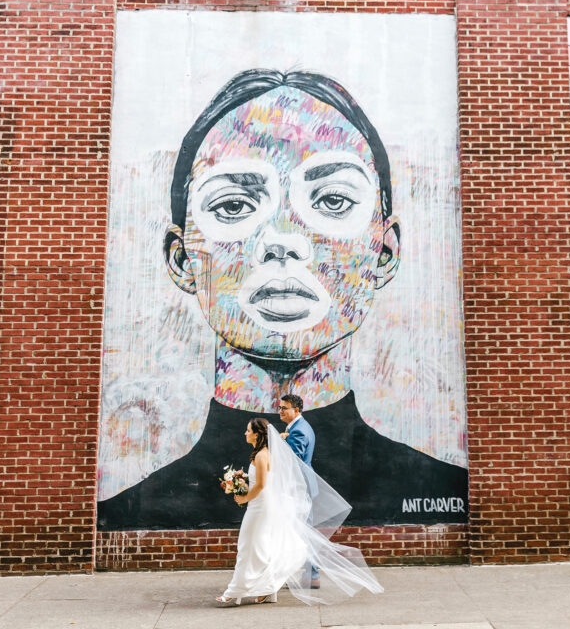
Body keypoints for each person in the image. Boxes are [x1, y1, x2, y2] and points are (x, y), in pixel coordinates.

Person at [98, 69, 467, 530]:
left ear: (384, 252)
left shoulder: (441, 486)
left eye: (332, 200)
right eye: (233, 205)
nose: (282, 241)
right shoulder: (125, 512)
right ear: (182, 259)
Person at [215, 417, 383, 606]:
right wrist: (242, 485)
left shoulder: (262, 455)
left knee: (249, 546)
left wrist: (244, 497)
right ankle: (265, 588)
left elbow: (261, 484)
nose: (245, 433)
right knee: (258, 547)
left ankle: (236, 590)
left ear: (256, 434)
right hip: (261, 505)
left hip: (260, 507)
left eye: (248, 430)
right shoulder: (263, 453)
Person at [279, 393, 319, 588]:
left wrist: (280, 443)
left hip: (300, 486)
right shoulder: (298, 427)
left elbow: (293, 458)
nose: (280, 411)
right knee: (302, 530)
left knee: (304, 531)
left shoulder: (299, 430)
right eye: (280, 408)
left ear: (296, 410)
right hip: (300, 485)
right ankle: (311, 574)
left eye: (284, 408)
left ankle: (313, 574)